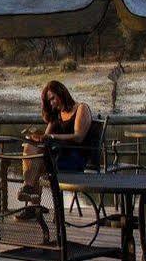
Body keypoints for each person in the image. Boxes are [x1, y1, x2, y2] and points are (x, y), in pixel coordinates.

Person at [19, 79, 94, 218]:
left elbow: (79, 137)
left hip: (75, 159)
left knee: (40, 162)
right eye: (49, 101)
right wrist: (38, 137)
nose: (52, 103)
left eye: (53, 98)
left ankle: (33, 203)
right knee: (31, 146)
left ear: (61, 92)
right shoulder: (57, 114)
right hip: (57, 157)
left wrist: (53, 138)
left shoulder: (81, 108)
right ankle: (29, 190)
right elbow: (47, 137)